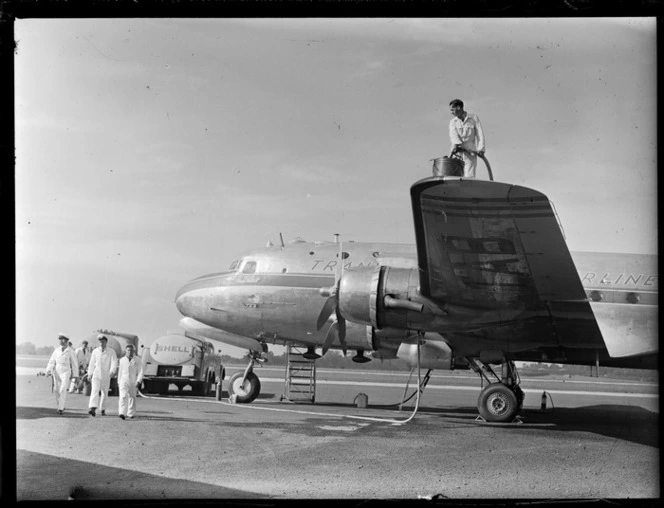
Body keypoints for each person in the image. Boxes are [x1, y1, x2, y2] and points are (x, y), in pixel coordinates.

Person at [448, 98, 486, 178]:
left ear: (458, 108)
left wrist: (481, 149)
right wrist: (456, 146)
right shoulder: (453, 122)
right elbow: (453, 136)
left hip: (470, 153)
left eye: (452, 110)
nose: (451, 112)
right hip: (457, 153)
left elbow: (480, 134)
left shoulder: (473, 118)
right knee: (455, 177)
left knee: (469, 176)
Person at [45, 333, 79, 415]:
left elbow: (74, 364)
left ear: (66, 340)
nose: (60, 341)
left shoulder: (71, 351)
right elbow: (52, 361)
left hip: (66, 371)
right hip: (57, 371)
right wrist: (48, 370)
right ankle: (60, 405)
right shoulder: (56, 350)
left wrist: (76, 375)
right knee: (56, 389)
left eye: (62, 339)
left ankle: (60, 408)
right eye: (60, 339)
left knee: (63, 389)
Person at [86, 334, 118, 417]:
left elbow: (114, 362)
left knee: (104, 392)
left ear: (106, 342)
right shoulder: (95, 351)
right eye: (100, 342)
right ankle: (92, 408)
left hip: (106, 374)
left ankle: (102, 408)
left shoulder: (111, 351)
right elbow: (92, 363)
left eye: (103, 342)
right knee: (94, 390)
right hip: (96, 373)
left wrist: (112, 371)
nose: (101, 343)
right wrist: (90, 373)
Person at [117, 344, 144, 420]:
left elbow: (140, 371)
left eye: (131, 350)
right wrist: (119, 381)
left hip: (133, 380)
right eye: (128, 350)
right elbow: (120, 371)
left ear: (133, 351)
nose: (130, 352)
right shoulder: (122, 360)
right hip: (123, 379)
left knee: (132, 397)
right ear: (126, 351)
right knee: (123, 396)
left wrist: (138, 380)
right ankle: (122, 413)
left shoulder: (137, 360)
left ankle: (130, 413)